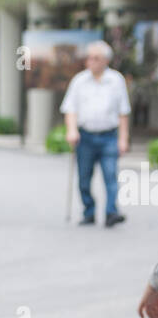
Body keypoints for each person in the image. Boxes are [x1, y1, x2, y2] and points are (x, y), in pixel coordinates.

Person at [61, 40, 131, 227]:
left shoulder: (116, 80)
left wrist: (123, 139)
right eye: (89, 58)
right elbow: (70, 109)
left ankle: (111, 212)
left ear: (106, 60)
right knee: (84, 179)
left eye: (96, 58)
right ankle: (89, 211)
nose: (91, 61)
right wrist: (72, 130)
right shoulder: (79, 81)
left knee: (110, 176)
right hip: (85, 137)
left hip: (109, 136)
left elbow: (123, 112)